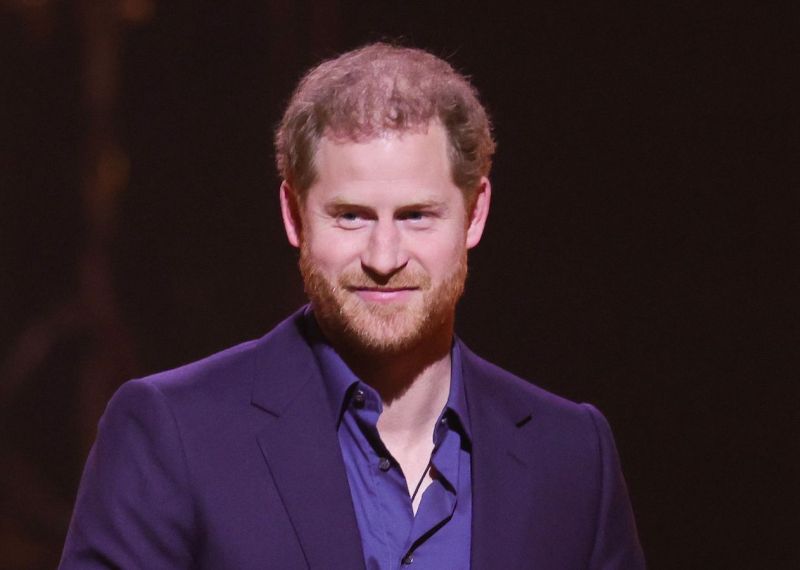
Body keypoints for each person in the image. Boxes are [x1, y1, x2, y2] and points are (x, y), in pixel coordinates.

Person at [60, 43, 645, 569]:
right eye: (351, 216)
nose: (384, 256)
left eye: (417, 215)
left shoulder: (571, 454)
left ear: (476, 213)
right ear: (294, 215)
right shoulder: (173, 434)